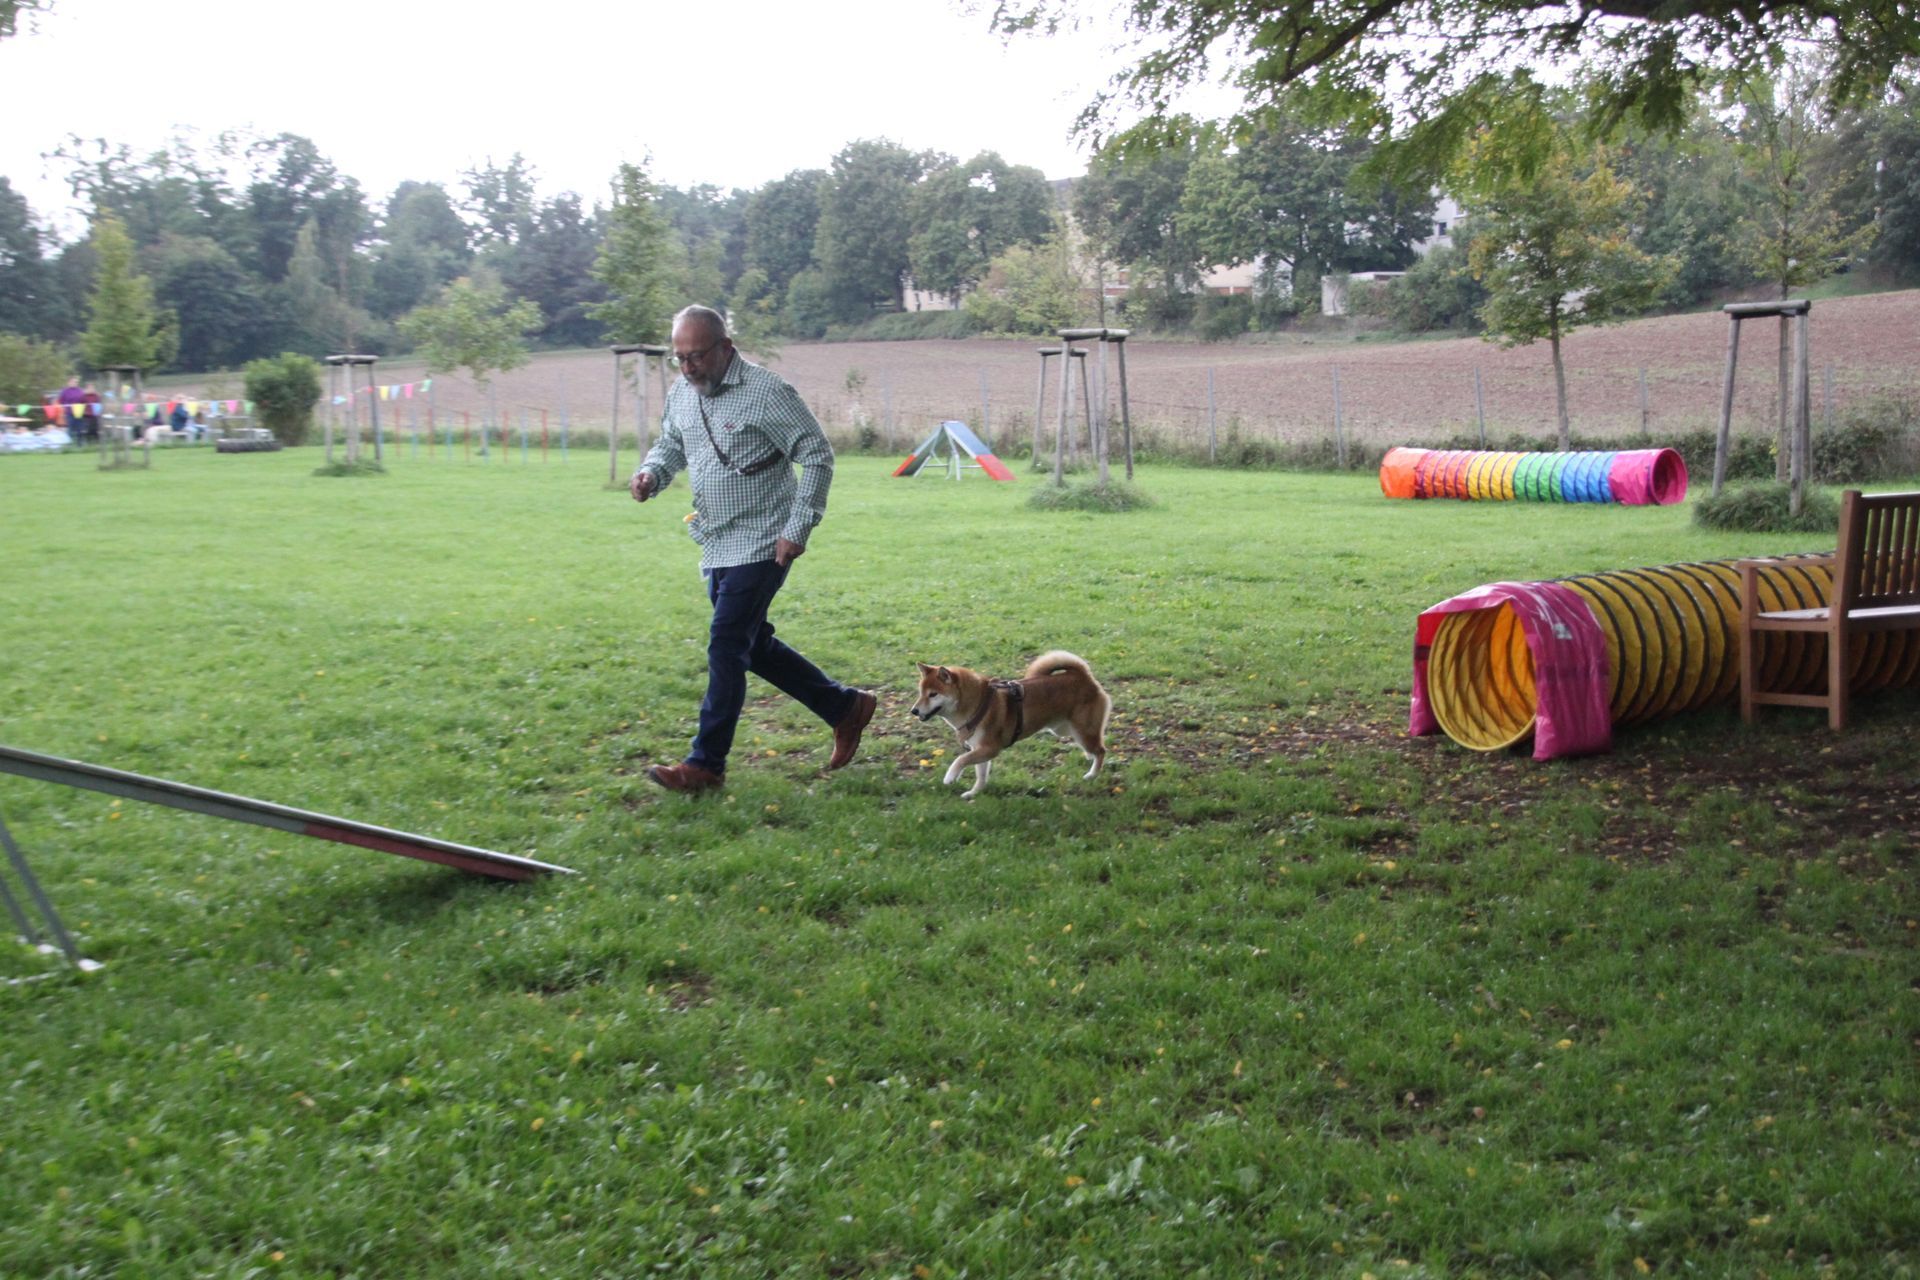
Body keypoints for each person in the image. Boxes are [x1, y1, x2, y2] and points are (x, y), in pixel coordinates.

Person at [629, 304, 875, 794]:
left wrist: (798, 527)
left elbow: (817, 456)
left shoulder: (767, 392)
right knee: (751, 645)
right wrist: (651, 473)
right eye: (680, 358)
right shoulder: (683, 393)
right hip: (715, 541)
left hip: (766, 539)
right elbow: (671, 443)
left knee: (726, 643)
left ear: (726, 348)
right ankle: (845, 706)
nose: (688, 367)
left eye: (697, 356)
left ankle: (705, 765)